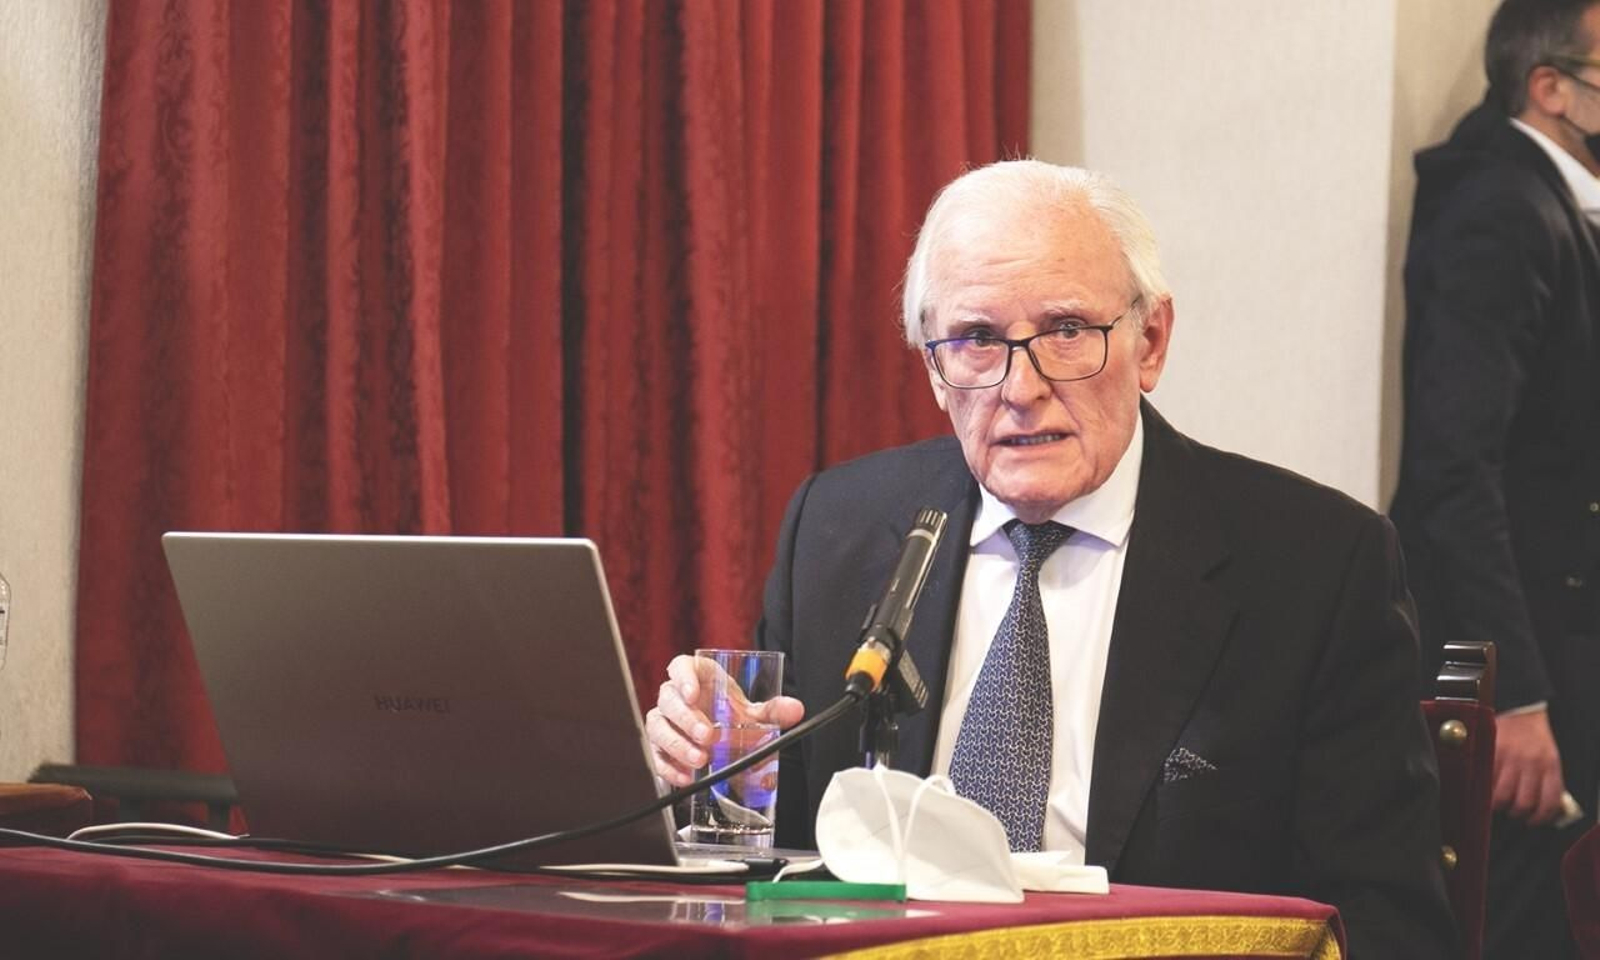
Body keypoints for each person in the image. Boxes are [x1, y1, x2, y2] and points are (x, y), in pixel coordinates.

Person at [648, 160, 1455, 956]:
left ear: (1150, 342)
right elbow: (780, 864)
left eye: (1067, 331)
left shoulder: (1313, 564)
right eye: (977, 339)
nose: (1021, 387)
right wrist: (706, 769)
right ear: (934, 370)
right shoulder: (838, 530)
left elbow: (1388, 924)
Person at [1391, 1, 1600, 955]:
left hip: (1561, 644)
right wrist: (1511, 698)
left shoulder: (1551, 200)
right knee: (1519, 922)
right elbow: (1453, 470)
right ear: (1550, 88)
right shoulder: (1502, 210)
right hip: (1521, 663)